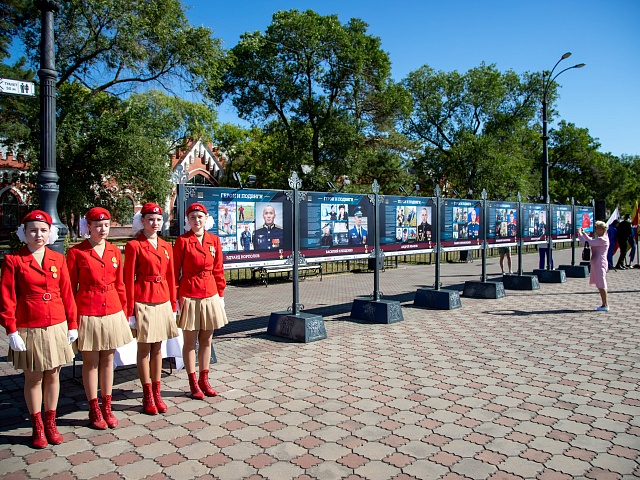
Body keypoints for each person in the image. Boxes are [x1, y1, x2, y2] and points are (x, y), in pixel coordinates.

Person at [1, 211, 78, 448]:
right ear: (23, 233)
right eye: (33, 230)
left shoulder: (58, 258)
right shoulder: (14, 260)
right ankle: (37, 426)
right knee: (34, 377)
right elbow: (6, 297)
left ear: (50, 232)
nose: (39, 235)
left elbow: (67, 293)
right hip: (30, 325)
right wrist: (11, 330)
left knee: (53, 374)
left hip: (56, 323)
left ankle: (51, 422)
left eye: (43, 230)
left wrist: (72, 323)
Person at [67, 207, 132, 430]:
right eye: (97, 225)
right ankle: (93, 407)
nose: (102, 229)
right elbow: (69, 288)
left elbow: (120, 284)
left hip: (112, 309)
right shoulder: (77, 253)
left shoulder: (114, 251)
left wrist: (124, 312)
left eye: (106, 225)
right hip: (88, 310)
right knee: (91, 362)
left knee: (108, 361)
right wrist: (72, 320)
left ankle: (107, 405)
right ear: (89, 227)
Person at [124, 203, 178, 415]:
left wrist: (173, 304)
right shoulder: (134, 246)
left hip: (162, 298)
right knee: (144, 348)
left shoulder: (166, 246)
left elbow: (171, 276)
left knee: (158, 348)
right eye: (150, 220)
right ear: (142, 221)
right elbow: (127, 279)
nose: (154, 223)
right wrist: (130, 311)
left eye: (158, 219)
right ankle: (147, 393)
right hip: (143, 298)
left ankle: (157, 391)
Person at [173, 203, 227, 400]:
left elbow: (218, 269)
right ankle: (193, 381)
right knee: (190, 342)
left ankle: (205, 379)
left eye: (200, 217)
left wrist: (220, 295)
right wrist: (176, 299)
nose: (197, 221)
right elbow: (174, 272)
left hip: (210, 292)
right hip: (190, 294)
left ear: (206, 219)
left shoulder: (214, 240)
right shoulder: (182, 241)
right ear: (188, 220)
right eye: (193, 217)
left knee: (206, 340)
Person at [578, 222, 610, 311]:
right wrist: (584, 234)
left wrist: (579, 234)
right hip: (597, 262)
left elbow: (587, 243)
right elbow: (590, 241)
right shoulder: (600, 238)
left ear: (602, 230)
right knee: (600, 284)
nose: (596, 230)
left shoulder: (602, 239)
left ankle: (605, 304)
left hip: (600, 263)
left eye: (597, 228)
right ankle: (604, 304)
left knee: (602, 284)